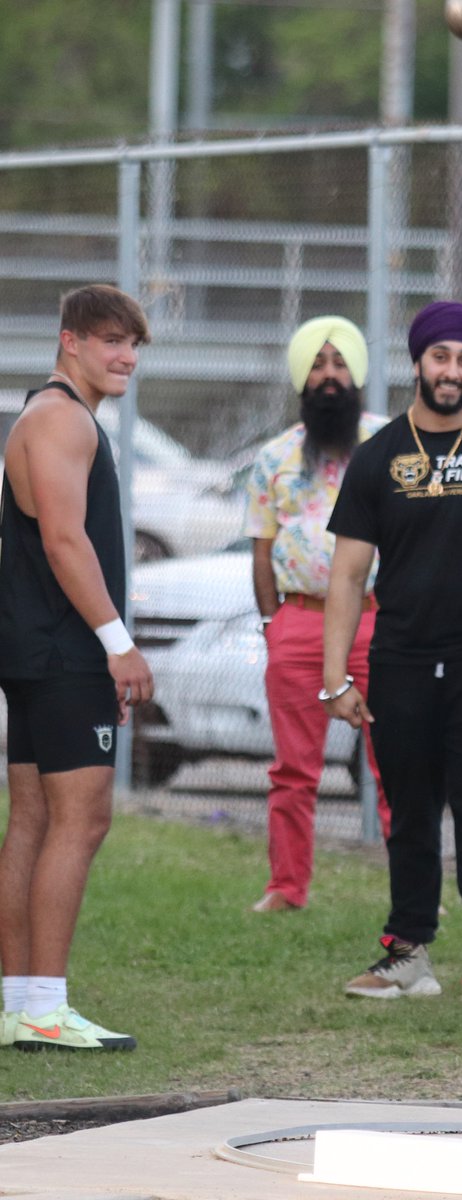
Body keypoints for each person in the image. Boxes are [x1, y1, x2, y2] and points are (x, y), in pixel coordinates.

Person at [323, 301, 462, 1007]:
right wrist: (336, 675)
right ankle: (407, 952)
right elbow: (348, 575)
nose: (452, 371)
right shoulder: (378, 455)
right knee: (411, 812)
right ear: (418, 362)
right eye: (441, 356)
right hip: (402, 660)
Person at [0, 285, 154, 1052]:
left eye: (133, 344)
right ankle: (44, 1010)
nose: (126, 357)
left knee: (32, 819)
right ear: (70, 341)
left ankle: (18, 1006)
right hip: (66, 652)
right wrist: (117, 642)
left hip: (36, 649)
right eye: (111, 341)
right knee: (81, 820)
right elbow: (65, 540)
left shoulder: (43, 414)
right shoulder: (63, 419)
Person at [243, 315, 391, 913]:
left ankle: (415, 891)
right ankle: (286, 888)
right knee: (293, 770)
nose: (330, 376)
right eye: (318, 365)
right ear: (301, 378)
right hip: (300, 622)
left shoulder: (392, 445)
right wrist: (273, 625)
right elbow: (261, 547)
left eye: (340, 364)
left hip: (380, 623)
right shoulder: (273, 457)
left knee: (398, 765)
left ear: (357, 374)